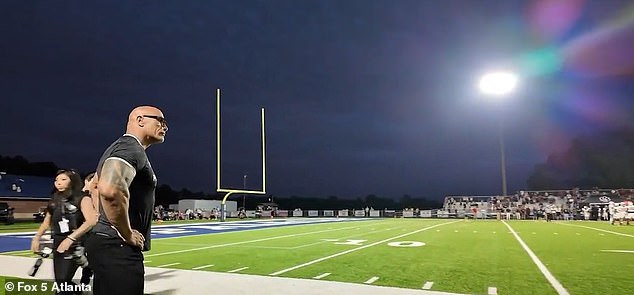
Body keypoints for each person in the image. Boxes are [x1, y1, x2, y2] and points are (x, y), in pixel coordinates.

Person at [85, 106, 167, 295]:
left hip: (106, 243)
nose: (165, 126)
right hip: (118, 247)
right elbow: (110, 189)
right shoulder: (130, 147)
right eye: (160, 120)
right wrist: (126, 232)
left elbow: (95, 186)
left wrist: (104, 220)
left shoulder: (121, 147)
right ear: (140, 120)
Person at [30, 169, 86, 294]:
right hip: (58, 243)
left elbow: (91, 221)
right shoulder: (54, 200)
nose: (58, 183)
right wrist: (37, 237)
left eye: (63, 179)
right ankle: (79, 291)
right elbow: (46, 221)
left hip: (75, 243)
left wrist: (72, 238)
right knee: (61, 282)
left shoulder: (81, 198)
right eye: (56, 180)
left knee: (63, 282)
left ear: (73, 181)